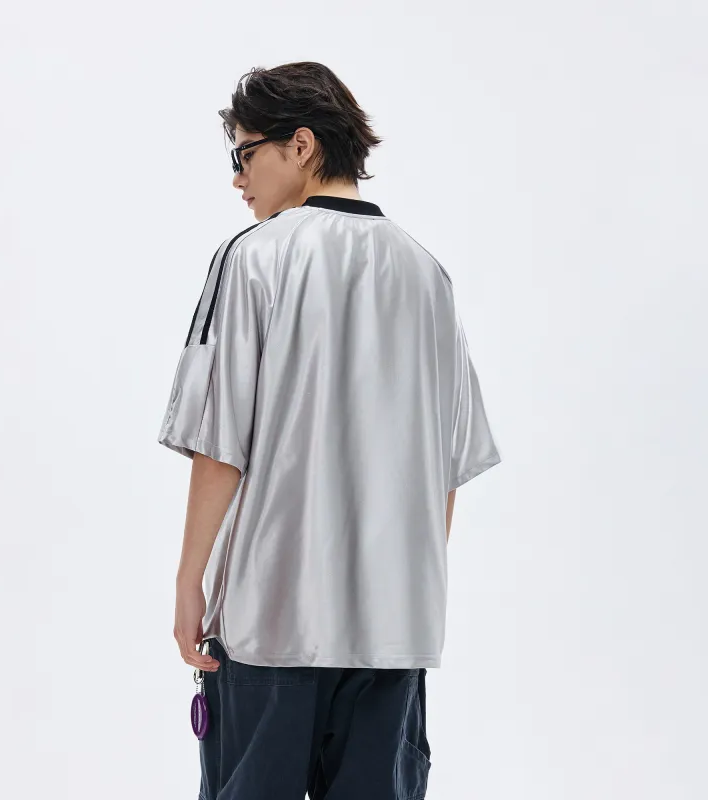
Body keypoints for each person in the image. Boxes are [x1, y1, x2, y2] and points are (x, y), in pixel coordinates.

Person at [157, 61, 502, 800]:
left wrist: (190, 581)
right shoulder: (428, 274)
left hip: (272, 623)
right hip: (394, 632)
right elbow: (448, 465)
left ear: (301, 144)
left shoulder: (253, 257)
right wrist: (400, 591)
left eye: (244, 154)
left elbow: (218, 443)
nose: (237, 179)